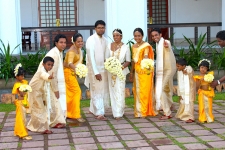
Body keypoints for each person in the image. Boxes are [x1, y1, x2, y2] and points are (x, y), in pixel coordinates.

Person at [27, 56, 66, 134]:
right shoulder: (41, 71)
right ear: (43, 64)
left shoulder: (45, 71)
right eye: (48, 64)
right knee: (40, 110)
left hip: (39, 92)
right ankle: (42, 128)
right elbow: (44, 76)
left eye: (52, 65)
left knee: (37, 110)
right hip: (34, 92)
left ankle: (31, 126)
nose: (50, 67)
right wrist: (49, 77)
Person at [129, 28, 158, 118]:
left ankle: (145, 110)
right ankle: (138, 111)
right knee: (137, 90)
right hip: (137, 72)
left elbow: (146, 55)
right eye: (135, 36)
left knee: (145, 90)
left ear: (142, 36)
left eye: (139, 36)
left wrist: (145, 59)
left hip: (145, 71)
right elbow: (133, 60)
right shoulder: (133, 46)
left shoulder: (146, 46)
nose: (137, 37)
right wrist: (131, 72)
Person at [84, 20, 110, 121]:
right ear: (95, 29)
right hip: (94, 70)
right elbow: (90, 58)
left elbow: (106, 56)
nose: (101, 29)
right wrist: (96, 72)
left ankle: (92, 108)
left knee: (100, 90)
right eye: (99, 27)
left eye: (103, 27)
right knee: (96, 90)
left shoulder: (105, 40)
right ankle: (99, 112)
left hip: (103, 69)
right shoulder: (91, 40)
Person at [151, 28, 176, 120]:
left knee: (160, 90)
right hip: (163, 70)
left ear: (161, 35)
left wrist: (167, 46)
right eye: (153, 36)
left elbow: (168, 46)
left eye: (156, 35)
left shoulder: (165, 42)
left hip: (168, 70)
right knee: (166, 89)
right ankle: (171, 105)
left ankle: (167, 113)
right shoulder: (158, 44)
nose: (154, 37)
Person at [105, 28, 131, 120]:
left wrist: (120, 68)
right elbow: (106, 59)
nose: (115, 37)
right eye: (114, 36)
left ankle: (119, 112)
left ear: (121, 36)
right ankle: (115, 112)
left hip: (121, 72)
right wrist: (111, 66)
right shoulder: (109, 46)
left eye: (117, 35)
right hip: (111, 72)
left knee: (120, 91)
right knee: (112, 91)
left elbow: (128, 61)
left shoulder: (126, 47)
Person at [64, 33, 85, 122]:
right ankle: (76, 115)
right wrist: (78, 70)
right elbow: (69, 63)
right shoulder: (72, 51)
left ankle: (69, 113)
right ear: (74, 42)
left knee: (70, 94)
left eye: (81, 41)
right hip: (68, 73)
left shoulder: (78, 49)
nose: (80, 43)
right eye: (78, 42)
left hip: (72, 73)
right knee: (77, 92)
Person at [12, 64, 32, 140]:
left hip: (23, 102)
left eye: (23, 75)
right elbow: (14, 95)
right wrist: (17, 99)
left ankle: (18, 131)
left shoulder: (23, 82)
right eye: (21, 76)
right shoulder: (17, 85)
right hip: (20, 103)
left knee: (22, 118)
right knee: (21, 118)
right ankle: (22, 133)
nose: (23, 77)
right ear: (17, 76)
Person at [193, 59, 214, 123]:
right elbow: (197, 86)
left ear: (207, 69)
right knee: (202, 105)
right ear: (199, 67)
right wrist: (200, 80)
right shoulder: (197, 77)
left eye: (205, 68)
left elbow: (212, 84)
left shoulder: (209, 76)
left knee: (209, 105)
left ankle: (209, 117)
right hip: (202, 93)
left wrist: (208, 79)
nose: (203, 69)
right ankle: (203, 117)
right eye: (202, 67)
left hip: (208, 93)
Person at [175, 58, 196, 123]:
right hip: (183, 90)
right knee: (183, 101)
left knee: (189, 102)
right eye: (177, 66)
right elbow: (179, 82)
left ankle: (190, 117)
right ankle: (183, 115)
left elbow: (189, 71)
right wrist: (179, 94)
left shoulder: (188, 68)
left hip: (190, 90)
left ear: (184, 66)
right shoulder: (179, 72)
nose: (177, 67)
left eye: (178, 66)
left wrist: (186, 71)